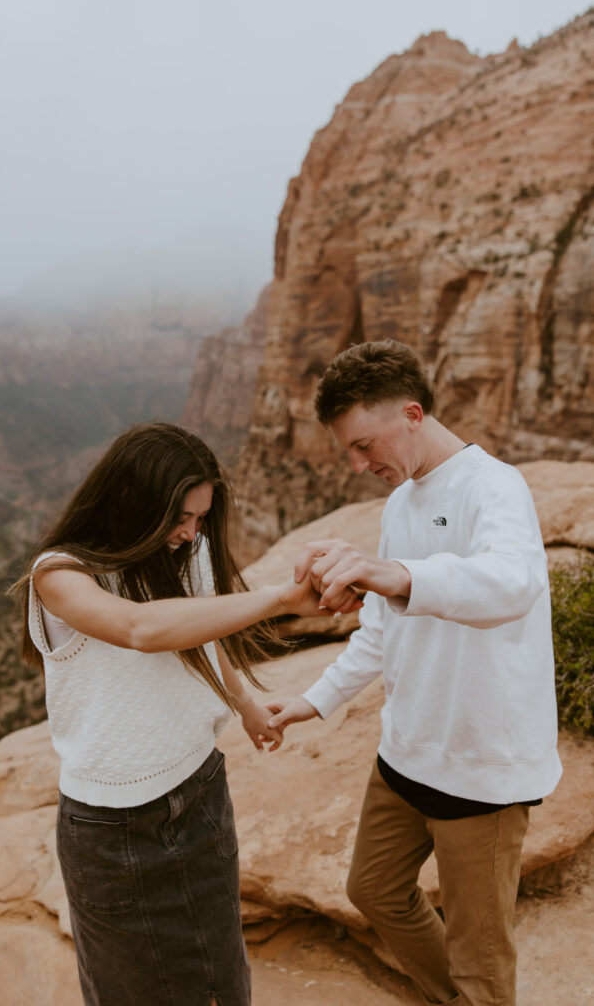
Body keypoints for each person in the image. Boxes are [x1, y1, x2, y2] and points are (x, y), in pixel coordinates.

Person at [267, 339, 561, 1006]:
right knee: (371, 889)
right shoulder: (400, 503)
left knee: (480, 960)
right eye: (348, 450)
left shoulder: (493, 486)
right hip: (405, 755)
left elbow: (511, 582)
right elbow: (380, 631)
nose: (357, 463)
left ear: (411, 412)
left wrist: (394, 573)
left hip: (479, 770)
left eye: (363, 444)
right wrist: (313, 700)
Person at [13, 422, 321, 1006]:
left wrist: (247, 705)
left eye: (201, 518)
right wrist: (282, 597)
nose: (190, 531)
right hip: (113, 828)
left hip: (202, 793)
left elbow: (202, 633)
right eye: (181, 516)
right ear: (133, 499)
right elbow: (141, 630)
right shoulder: (59, 574)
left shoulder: (186, 551)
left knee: (222, 981)